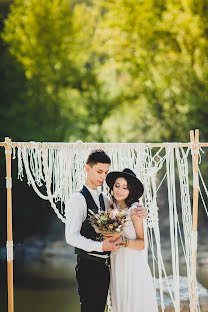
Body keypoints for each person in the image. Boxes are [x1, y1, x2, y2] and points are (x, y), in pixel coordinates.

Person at [65, 150, 147, 312]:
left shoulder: (105, 199)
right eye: (99, 172)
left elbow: (126, 207)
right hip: (88, 265)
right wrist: (101, 247)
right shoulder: (78, 199)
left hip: (107, 267)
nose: (102, 177)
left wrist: (142, 211)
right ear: (87, 169)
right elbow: (71, 237)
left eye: (106, 173)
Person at [106, 168, 158, 312]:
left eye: (125, 187)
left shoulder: (135, 210)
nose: (119, 190)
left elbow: (143, 243)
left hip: (132, 265)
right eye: (117, 185)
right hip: (116, 262)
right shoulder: (111, 207)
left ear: (131, 191)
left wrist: (124, 241)